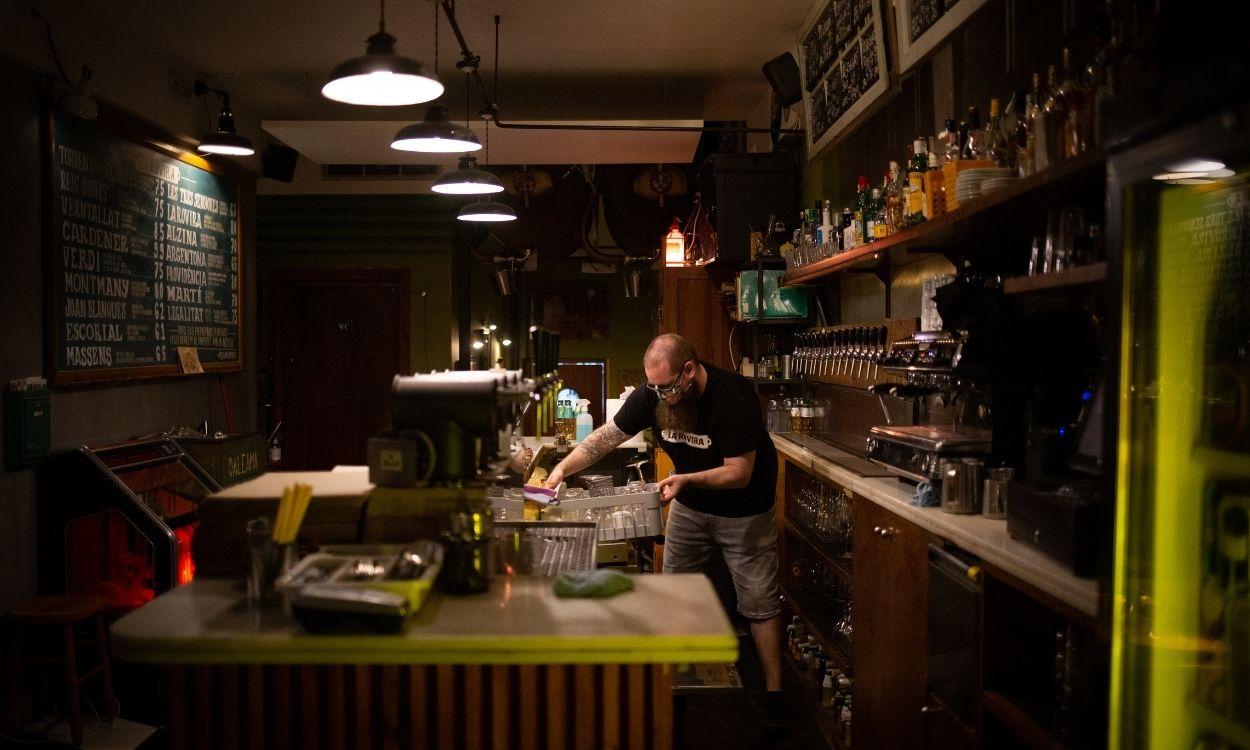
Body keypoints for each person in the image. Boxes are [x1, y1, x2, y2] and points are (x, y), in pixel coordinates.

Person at [544, 333, 786, 730]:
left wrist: (686, 479)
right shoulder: (652, 395)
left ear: (689, 371)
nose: (660, 395)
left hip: (745, 511)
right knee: (674, 590)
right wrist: (561, 470)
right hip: (691, 507)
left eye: (667, 387)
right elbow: (606, 437)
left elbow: (739, 473)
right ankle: (673, 684)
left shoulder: (734, 395)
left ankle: (775, 693)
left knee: (758, 601)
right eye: (653, 387)